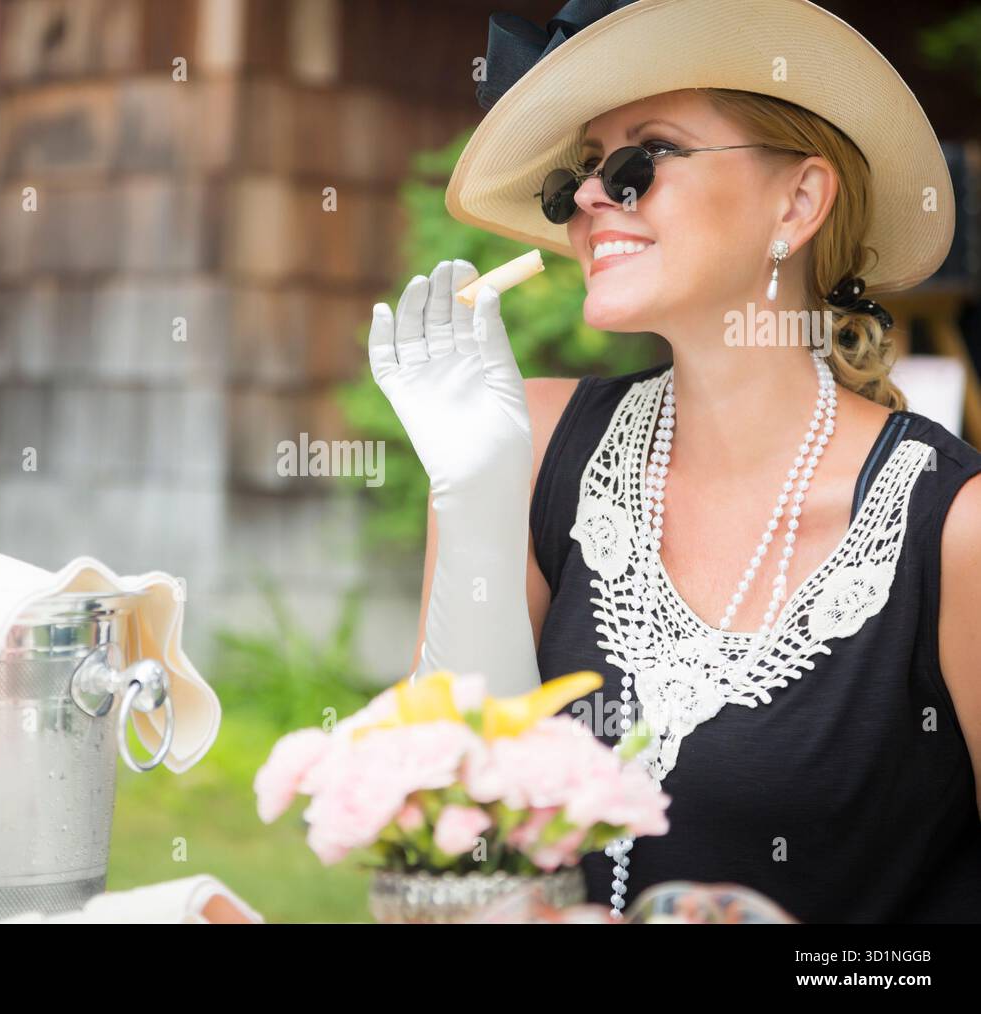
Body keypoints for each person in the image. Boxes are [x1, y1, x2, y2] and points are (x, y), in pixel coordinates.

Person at [367, 0, 981, 922]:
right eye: (581, 170)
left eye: (639, 159)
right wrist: (475, 505)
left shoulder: (957, 528)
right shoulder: (524, 449)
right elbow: (466, 852)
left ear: (799, 200)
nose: (585, 196)